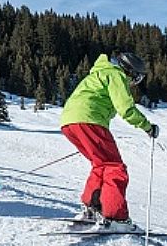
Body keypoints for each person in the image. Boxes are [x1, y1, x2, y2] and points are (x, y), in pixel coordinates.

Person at [60, 52, 159, 231]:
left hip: (69, 122)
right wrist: (147, 127)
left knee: (101, 165)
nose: (134, 81)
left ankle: (92, 209)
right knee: (115, 167)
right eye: (136, 77)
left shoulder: (100, 72)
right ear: (129, 71)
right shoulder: (116, 75)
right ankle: (116, 218)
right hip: (89, 121)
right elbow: (126, 108)